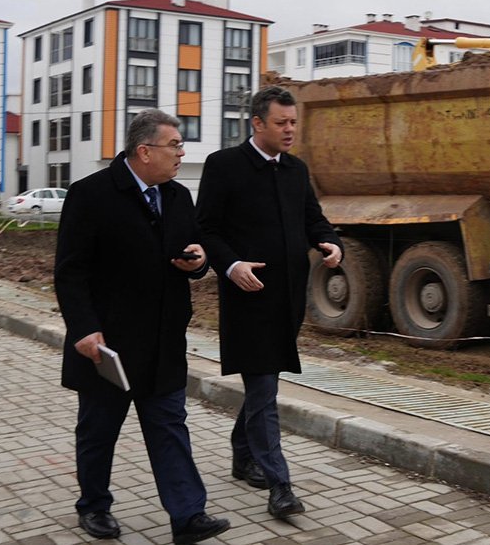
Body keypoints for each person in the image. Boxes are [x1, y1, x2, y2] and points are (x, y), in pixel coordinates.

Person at [55, 109, 230, 544]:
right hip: (107, 345)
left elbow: (192, 254)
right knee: (98, 431)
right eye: (174, 145)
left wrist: (199, 262)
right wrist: (83, 328)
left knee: (170, 428)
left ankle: (188, 515)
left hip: (162, 341)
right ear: (144, 150)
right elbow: (70, 271)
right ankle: (94, 507)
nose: (181, 153)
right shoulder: (91, 194)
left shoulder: (176, 197)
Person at [196, 86, 343, 518]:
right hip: (247, 298)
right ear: (257, 123)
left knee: (265, 384)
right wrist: (231, 264)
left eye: (294, 122)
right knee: (264, 387)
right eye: (282, 122)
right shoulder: (224, 166)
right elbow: (204, 228)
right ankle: (280, 485)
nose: (290, 129)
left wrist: (330, 244)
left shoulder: (296, 170)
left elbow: (314, 219)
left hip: (288, 298)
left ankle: (242, 453)